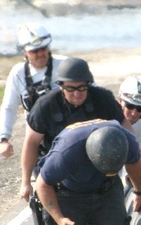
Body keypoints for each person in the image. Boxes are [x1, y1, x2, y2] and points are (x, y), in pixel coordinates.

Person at [19, 57, 129, 202]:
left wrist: (137, 148)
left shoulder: (103, 100)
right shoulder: (45, 107)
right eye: (71, 89)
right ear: (61, 86)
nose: (77, 93)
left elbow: (124, 126)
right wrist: (25, 182)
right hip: (61, 183)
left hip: (100, 180)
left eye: (82, 88)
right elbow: (31, 143)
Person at [0, 23, 66, 158]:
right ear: (25, 52)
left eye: (43, 48)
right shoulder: (18, 73)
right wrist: (3, 139)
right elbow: (9, 108)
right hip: (38, 143)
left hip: (69, 136)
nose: (40, 54)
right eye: (35, 51)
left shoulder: (65, 65)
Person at [117, 76, 141, 159]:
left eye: (140, 109)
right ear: (120, 100)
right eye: (130, 106)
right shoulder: (105, 119)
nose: (134, 113)